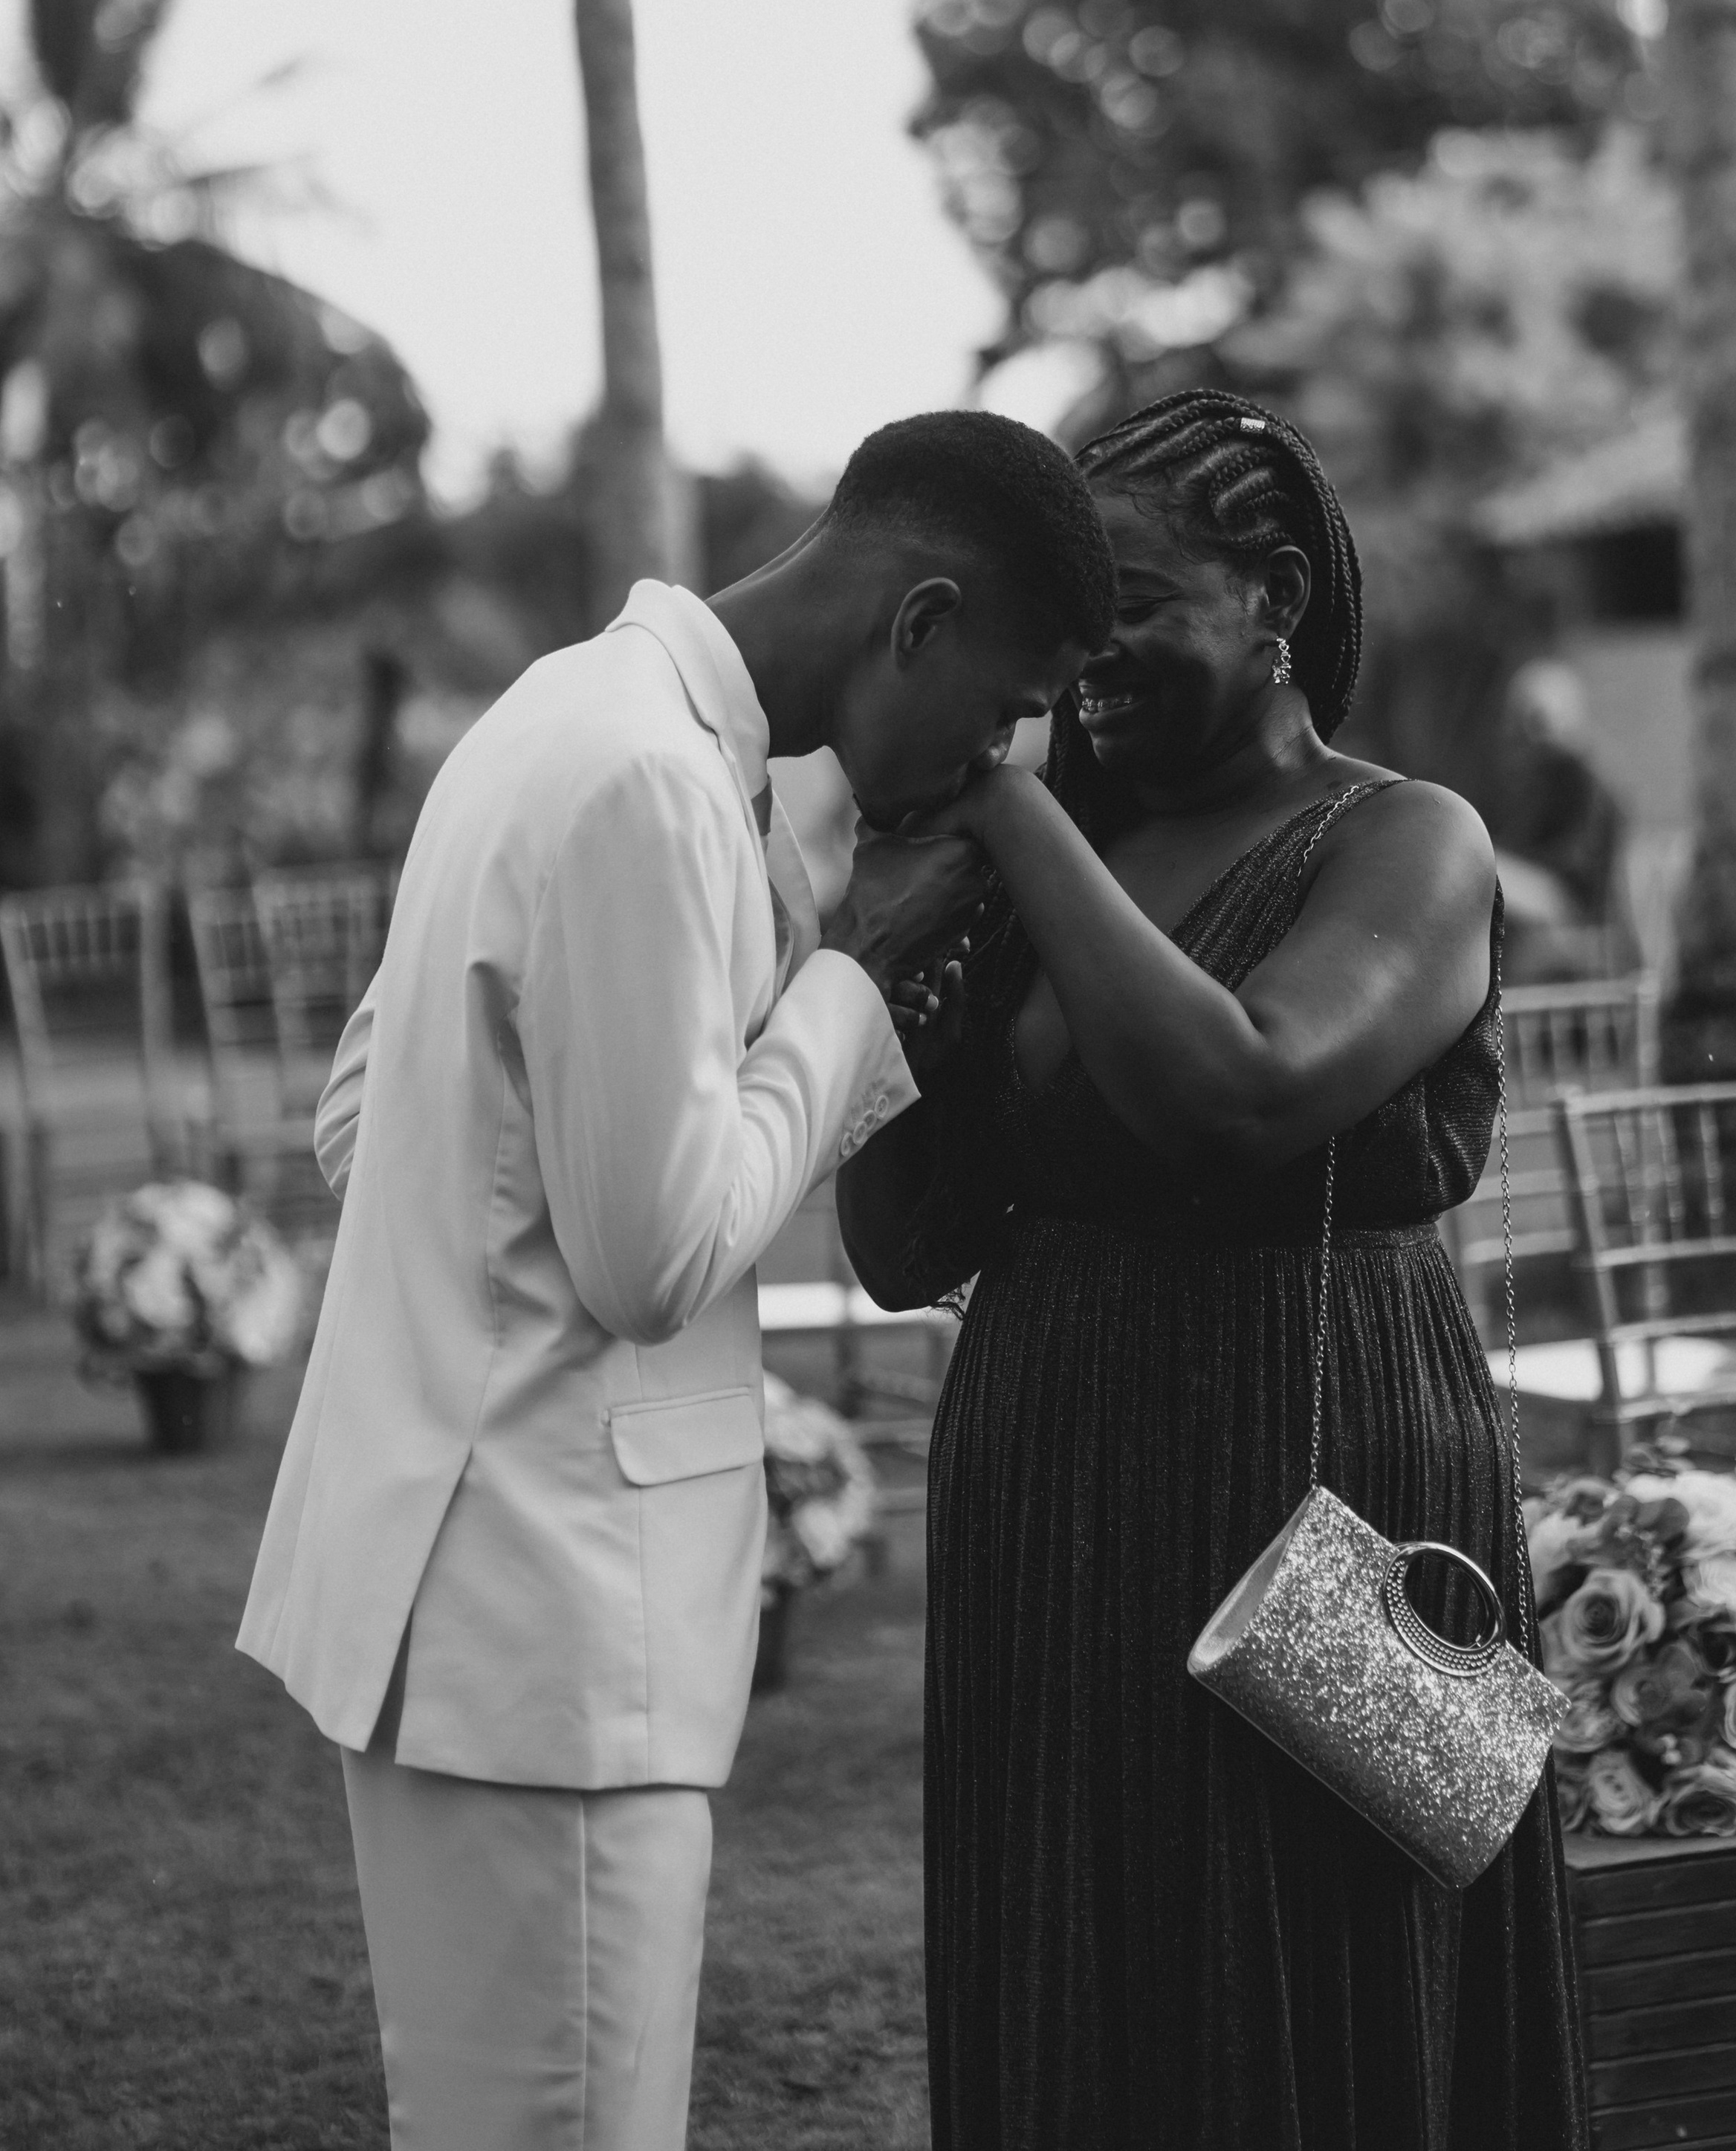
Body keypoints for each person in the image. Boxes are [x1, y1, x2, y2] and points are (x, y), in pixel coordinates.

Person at [238, 410, 1115, 2151]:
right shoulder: (648, 778)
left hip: (460, 1590)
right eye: (1011, 698)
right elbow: (651, 1257)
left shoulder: (568, 709)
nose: (1005, 755)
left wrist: (781, 907)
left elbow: (369, 1113)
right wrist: (848, 987)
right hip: (548, 1622)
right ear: (917, 618)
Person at [842, 391, 1587, 2151]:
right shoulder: (1035, 867)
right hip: (1051, 1472)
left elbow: (1240, 1088)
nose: (1077, 648)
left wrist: (1009, 820)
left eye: (1126, 595)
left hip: (1308, 1462)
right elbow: (895, 1245)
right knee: (1088, 1965)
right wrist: (874, 961)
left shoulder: (1403, 838)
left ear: (1269, 598)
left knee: (1316, 1961)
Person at [1492, 658, 1636, 983]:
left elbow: (1573, 870)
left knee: (1477, 865)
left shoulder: (1582, 778)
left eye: (1534, 721)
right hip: (1556, 899)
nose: (1524, 736)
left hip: (1579, 913)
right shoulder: (1538, 778)